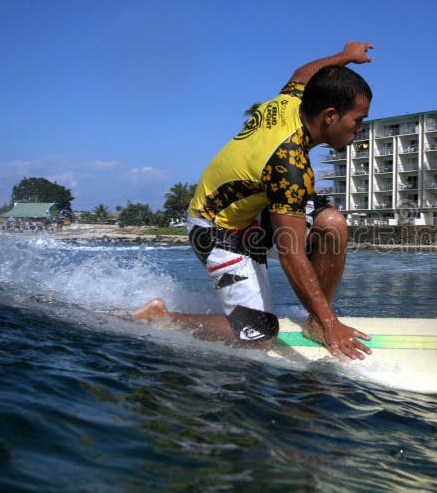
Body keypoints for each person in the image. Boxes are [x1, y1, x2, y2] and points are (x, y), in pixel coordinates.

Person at [133, 41, 375, 361]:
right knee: (259, 338)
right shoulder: (289, 167)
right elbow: (291, 256)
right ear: (330, 115)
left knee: (332, 224)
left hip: (251, 209)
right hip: (216, 227)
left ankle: (315, 324)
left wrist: (345, 57)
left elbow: (304, 73)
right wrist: (335, 324)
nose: (360, 128)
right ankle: (162, 316)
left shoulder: (293, 102)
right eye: (358, 120)